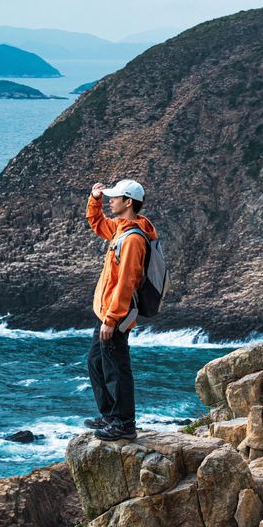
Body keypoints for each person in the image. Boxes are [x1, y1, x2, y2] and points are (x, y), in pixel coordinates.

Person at [84, 178, 158, 441]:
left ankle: (124, 424)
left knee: (117, 368)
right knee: (96, 362)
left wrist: (112, 320)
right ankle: (110, 416)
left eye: (114, 197)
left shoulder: (133, 239)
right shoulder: (121, 229)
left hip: (116, 315)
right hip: (106, 313)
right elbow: (97, 223)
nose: (110, 201)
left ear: (128, 202)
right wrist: (94, 198)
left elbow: (126, 282)